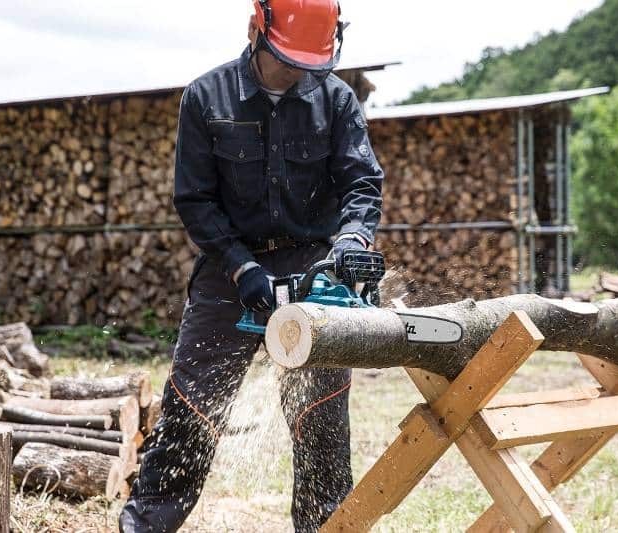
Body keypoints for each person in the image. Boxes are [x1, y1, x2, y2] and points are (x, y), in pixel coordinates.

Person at [119, 0, 384, 531]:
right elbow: (195, 200)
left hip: (314, 263)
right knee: (191, 410)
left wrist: (352, 241)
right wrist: (243, 269)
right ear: (255, 30)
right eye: (290, 60)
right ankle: (147, 522)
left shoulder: (335, 100)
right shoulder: (206, 97)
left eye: (312, 63)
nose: (300, 73)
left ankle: (324, 526)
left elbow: (361, 182)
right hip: (229, 267)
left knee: (322, 420)